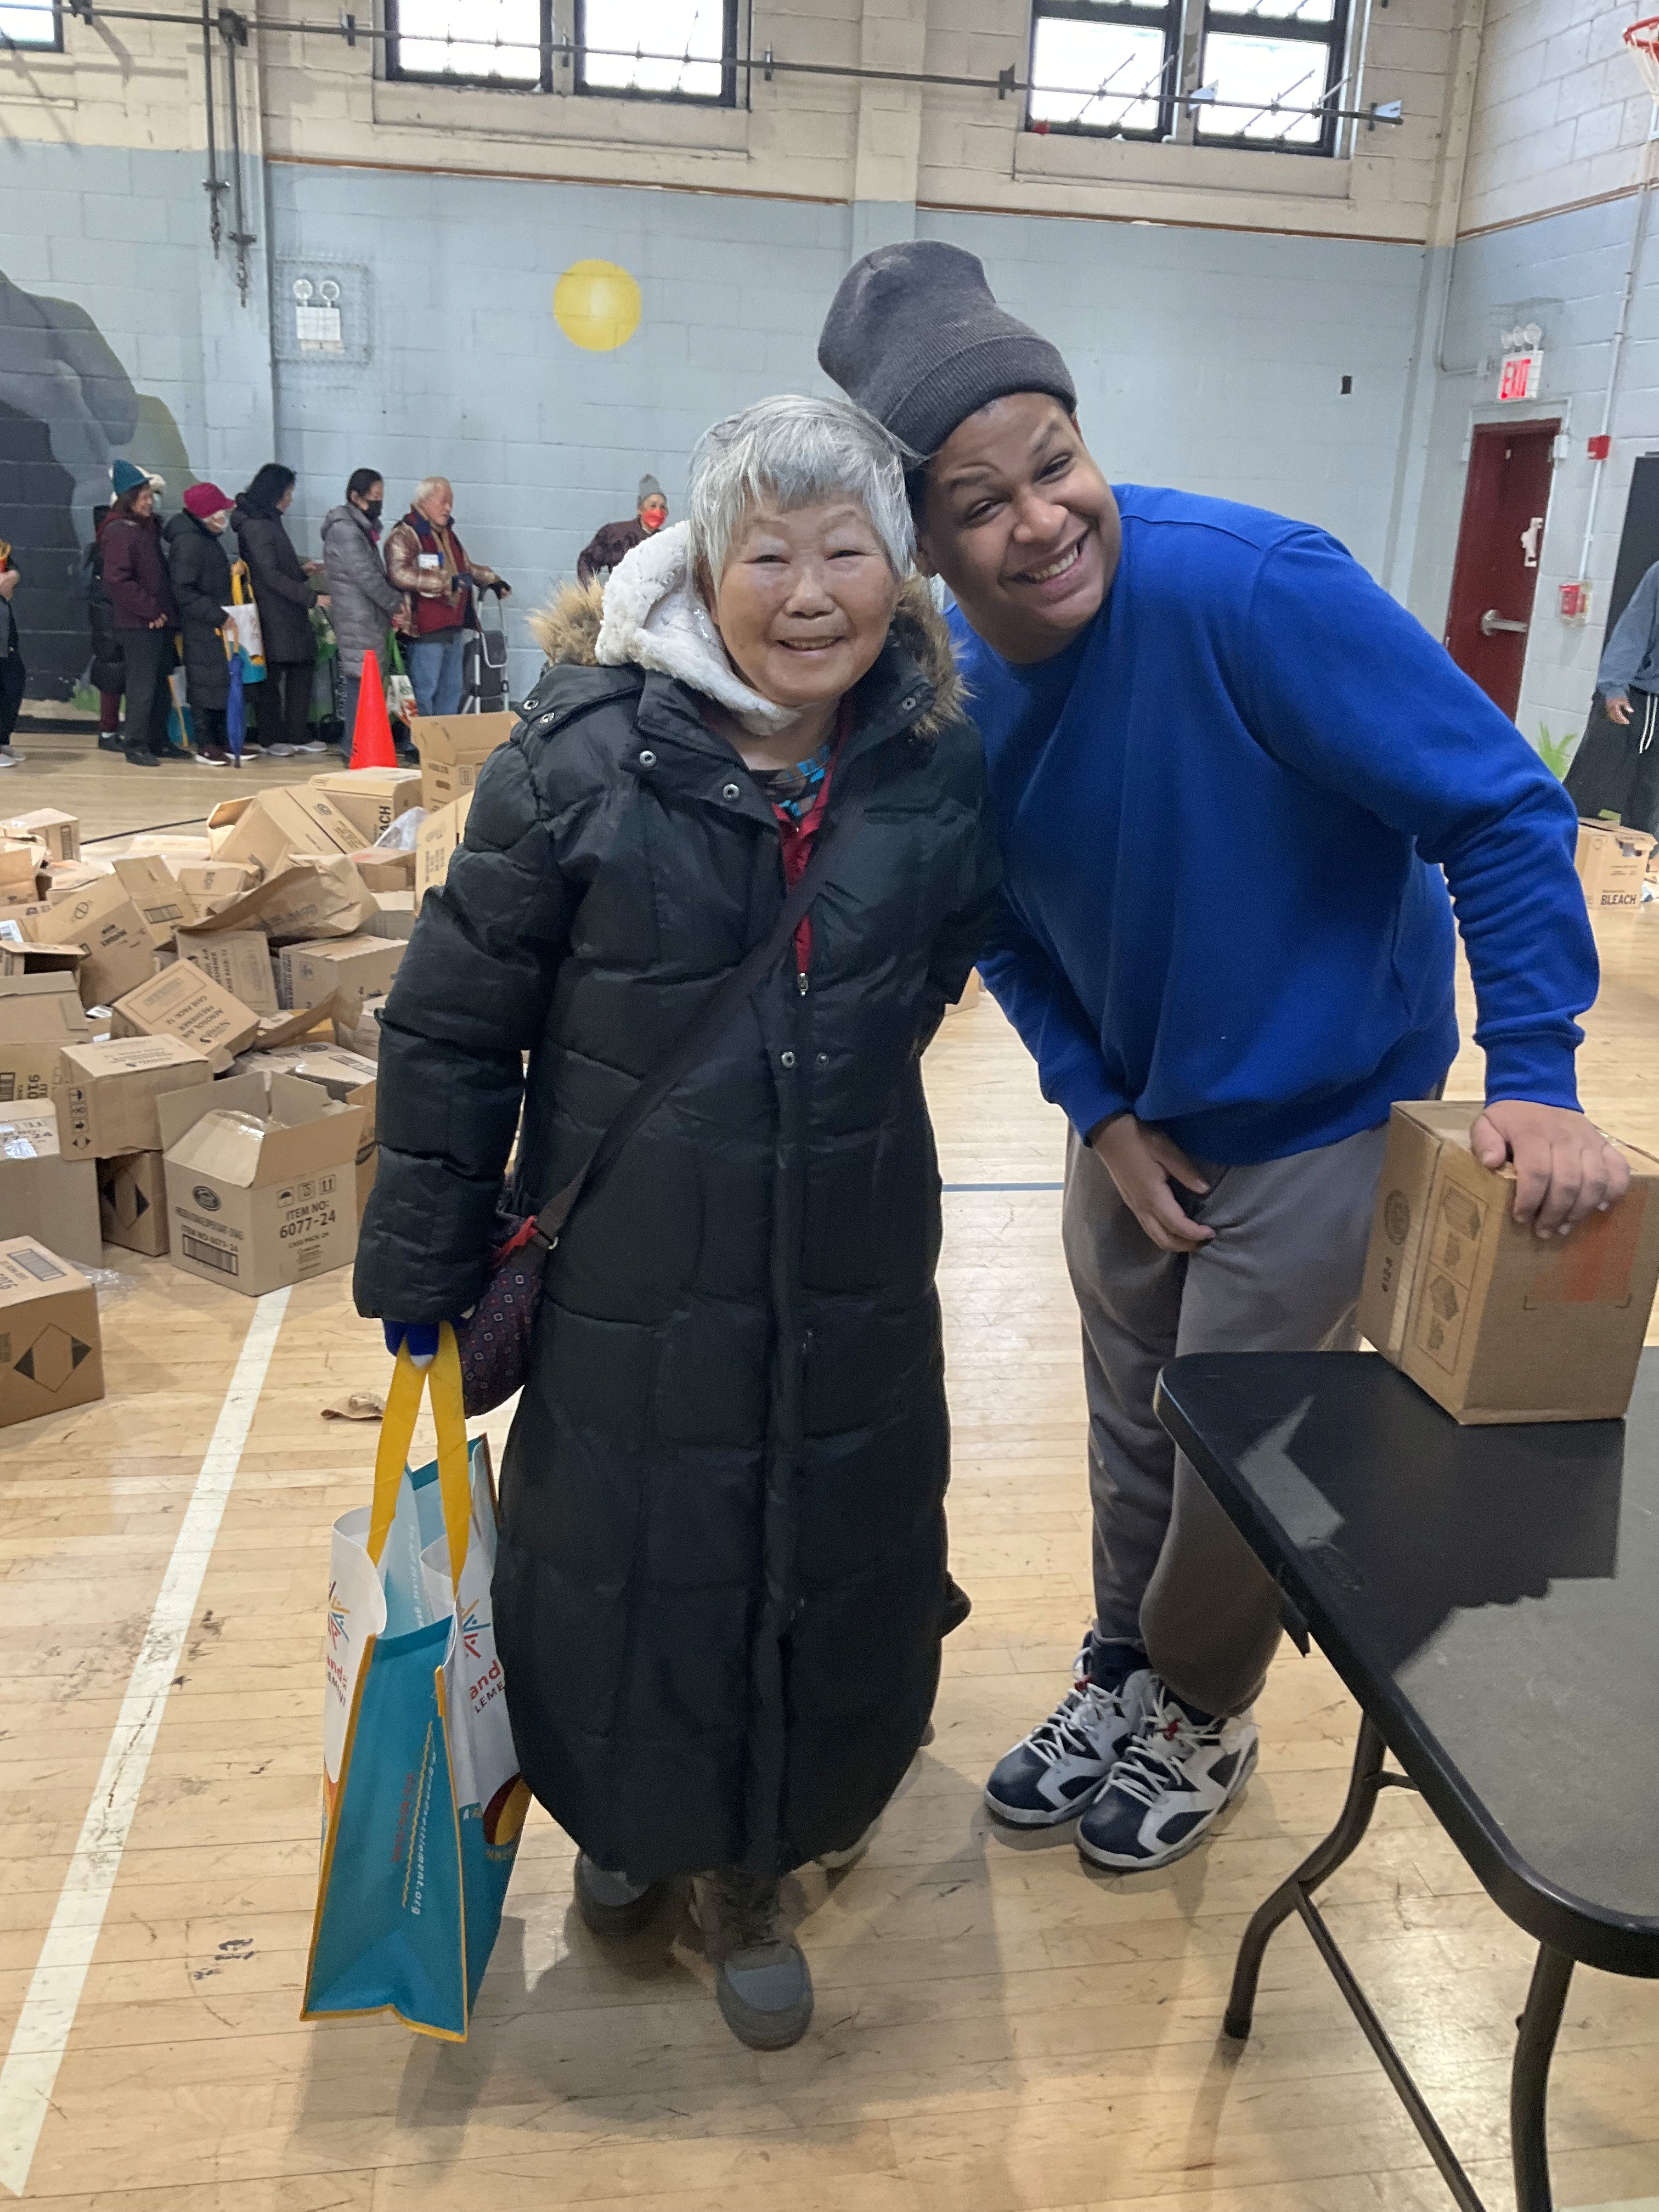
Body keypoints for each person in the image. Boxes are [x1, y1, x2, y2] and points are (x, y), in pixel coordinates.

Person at [819, 241, 1619, 1874]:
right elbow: (999, 928)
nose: (1042, 522)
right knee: (1131, 1421)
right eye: (982, 505)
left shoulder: (1249, 590)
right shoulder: (941, 700)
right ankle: (1125, 1666)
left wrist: (1534, 1068)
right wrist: (1098, 1108)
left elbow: (1499, 803)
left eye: (1057, 464)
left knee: (1233, 1462)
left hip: (1323, 1107)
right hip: (1136, 1114)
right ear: (925, 543)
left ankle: (1201, 1704)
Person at [355, 394, 999, 2052]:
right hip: (630, 1269)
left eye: (844, 550)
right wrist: (425, 1262)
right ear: (700, 567)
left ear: (895, 569)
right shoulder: (580, 756)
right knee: (631, 1556)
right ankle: (632, 1830)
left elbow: (935, 968)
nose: (807, 592)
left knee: (814, 1546)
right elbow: (453, 1018)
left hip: (851, 1264)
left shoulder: (928, 767)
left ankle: (754, 1868)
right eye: (765, 553)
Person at [385, 477, 509, 718]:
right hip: (425, 629)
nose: (449, 508)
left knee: (452, 689)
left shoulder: (447, 534)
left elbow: (466, 568)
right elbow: (399, 573)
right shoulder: (404, 534)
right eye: (443, 502)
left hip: (453, 625)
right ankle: (421, 746)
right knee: (424, 689)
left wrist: (493, 580)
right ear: (424, 501)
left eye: (450, 502)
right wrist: (445, 583)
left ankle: (445, 744)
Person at [233, 462, 324, 758]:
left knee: (301, 665)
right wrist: (310, 597)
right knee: (271, 675)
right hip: (272, 611)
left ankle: (297, 732)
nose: (291, 499)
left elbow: (276, 565)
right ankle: (271, 737)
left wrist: (299, 569)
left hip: (286, 608)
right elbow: (269, 575)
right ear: (275, 492)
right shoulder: (256, 525)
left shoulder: (268, 519)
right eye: (288, 492)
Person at [100, 459, 186, 768]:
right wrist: (151, 610)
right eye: (144, 496)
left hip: (157, 620)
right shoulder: (121, 532)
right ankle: (136, 744)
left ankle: (158, 741)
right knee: (142, 686)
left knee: (160, 684)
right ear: (128, 498)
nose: (150, 502)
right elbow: (117, 580)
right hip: (139, 623)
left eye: (151, 496)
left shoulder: (143, 528)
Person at [1564, 560, 1659, 835]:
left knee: (1650, 802)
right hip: (1635, 695)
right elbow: (1635, 626)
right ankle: (1555, 852)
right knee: (1589, 784)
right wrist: (1615, 687)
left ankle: (1632, 869)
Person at [321, 467, 413, 754]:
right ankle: (354, 748)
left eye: (381, 497)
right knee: (359, 686)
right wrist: (396, 604)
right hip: (358, 619)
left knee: (365, 686)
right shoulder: (346, 531)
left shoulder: (359, 528)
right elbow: (368, 578)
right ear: (355, 497)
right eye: (374, 497)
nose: (379, 504)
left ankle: (361, 746)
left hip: (367, 618)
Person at [163, 482, 236, 765]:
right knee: (203, 684)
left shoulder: (204, 538)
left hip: (213, 623)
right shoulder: (190, 542)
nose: (226, 519)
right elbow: (184, 590)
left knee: (218, 682)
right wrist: (217, 615)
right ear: (207, 515)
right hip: (202, 625)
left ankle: (221, 740)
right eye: (222, 513)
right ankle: (205, 744)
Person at [83, 505, 126, 754]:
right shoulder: (108, 551)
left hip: (108, 619)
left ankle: (109, 730)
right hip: (111, 620)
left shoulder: (99, 550)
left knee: (113, 674)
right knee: (113, 675)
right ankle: (108, 731)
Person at [575, 474, 669, 586]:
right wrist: (590, 591)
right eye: (653, 506)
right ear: (640, 509)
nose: (658, 511)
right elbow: (587, 560)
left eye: (662, 507)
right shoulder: (616, 533)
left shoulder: (665, 541)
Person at [0, 551, 22, 767]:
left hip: (4, 629)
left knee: (14, 681)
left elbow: (12, 570)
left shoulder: (2, 548)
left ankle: (2, 740)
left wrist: (12, 576)